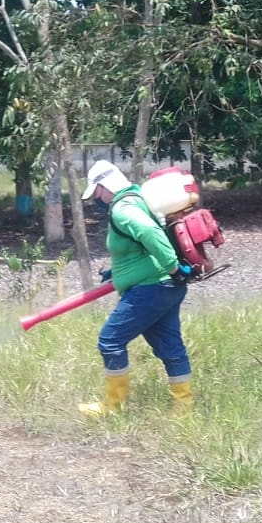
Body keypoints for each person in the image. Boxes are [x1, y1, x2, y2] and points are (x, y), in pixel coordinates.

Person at [77, 159, 194, 416]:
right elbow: (138, 248)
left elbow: (148, 232)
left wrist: (173, 267)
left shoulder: (122, 209)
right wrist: (119, 271)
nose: (96, 197)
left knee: (110, 340)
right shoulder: (137, 199)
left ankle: (112, 407)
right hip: (165, 287)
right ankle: (183, 409)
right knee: (170, 347)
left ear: (106, 187)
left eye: (96, 191)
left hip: (150, 289)